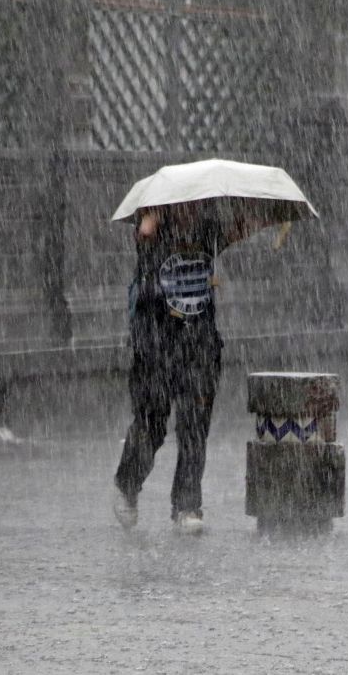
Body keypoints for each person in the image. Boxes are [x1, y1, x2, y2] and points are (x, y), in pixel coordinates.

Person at [112, 199, 260, 534]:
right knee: (152, 423)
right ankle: (127, 485)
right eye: (184, 206)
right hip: (156, 341)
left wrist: (252, 217)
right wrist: (151, 216)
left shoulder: (209, 230)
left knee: (195, 426)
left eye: (197, 206)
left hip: (199, 343)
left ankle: (187, 506)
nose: (191, 212)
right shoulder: (152, 231)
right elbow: (145, 234)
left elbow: (237, 232)